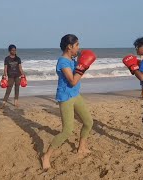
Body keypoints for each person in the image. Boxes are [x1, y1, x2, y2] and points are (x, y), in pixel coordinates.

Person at [42, 34, 95, 169]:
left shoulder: (72, 59)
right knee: (67, 131)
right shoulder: (63, 62)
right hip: (66, 97)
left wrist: (83, 62)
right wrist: (82, 67)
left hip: (76, 95)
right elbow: (72, 81)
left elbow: (78, 73)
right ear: (69, 46)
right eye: (77, 45)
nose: (79, 47)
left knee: (88, 122)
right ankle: (46, 156)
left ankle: (81, 147)